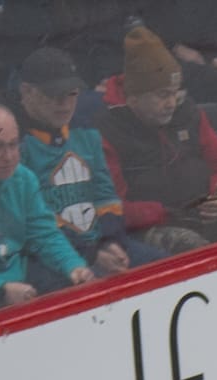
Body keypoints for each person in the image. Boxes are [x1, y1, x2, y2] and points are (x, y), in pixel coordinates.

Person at [100, 26, 217, 253]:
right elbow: (113, 208)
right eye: (162, 95)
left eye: (175, 92)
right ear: (134, 98)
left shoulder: (188, 113)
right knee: (194, 249)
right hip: (154, 227)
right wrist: (167, 212)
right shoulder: (107, 131)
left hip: (206, 215)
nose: (171, 103)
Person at [10, 48, 164, 279]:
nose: (64, 103)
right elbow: (35, 222)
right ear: (26, 91)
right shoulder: (14, 145)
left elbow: (105, 194)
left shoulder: (87, 133)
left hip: (99, 246)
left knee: (161, 264)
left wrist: (111, 241)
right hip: (52, 259)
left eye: (71, 93)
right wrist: (92, 254)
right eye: (53, 95)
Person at [0, 104, 94, 312]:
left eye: (14, 145)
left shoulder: (23, 179)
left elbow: (44, 235)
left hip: (19, 280)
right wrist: (0, 290)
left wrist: (73, 266)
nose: (8, 157)